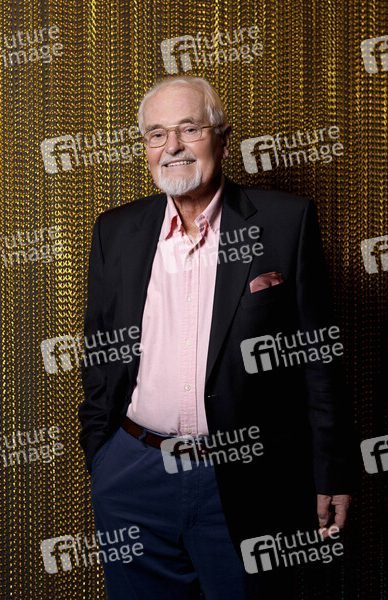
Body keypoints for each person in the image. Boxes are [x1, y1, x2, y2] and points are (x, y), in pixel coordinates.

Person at [78, 75, 357, 599]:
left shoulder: (285, 221)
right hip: (135, 473)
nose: (173, 146)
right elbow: (100, 349)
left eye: (190, 129)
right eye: (157, 134)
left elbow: (318, 360)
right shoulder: (114, 231)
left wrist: (332, 472)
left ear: (223, 141)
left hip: (246, 476)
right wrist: (103, 455)